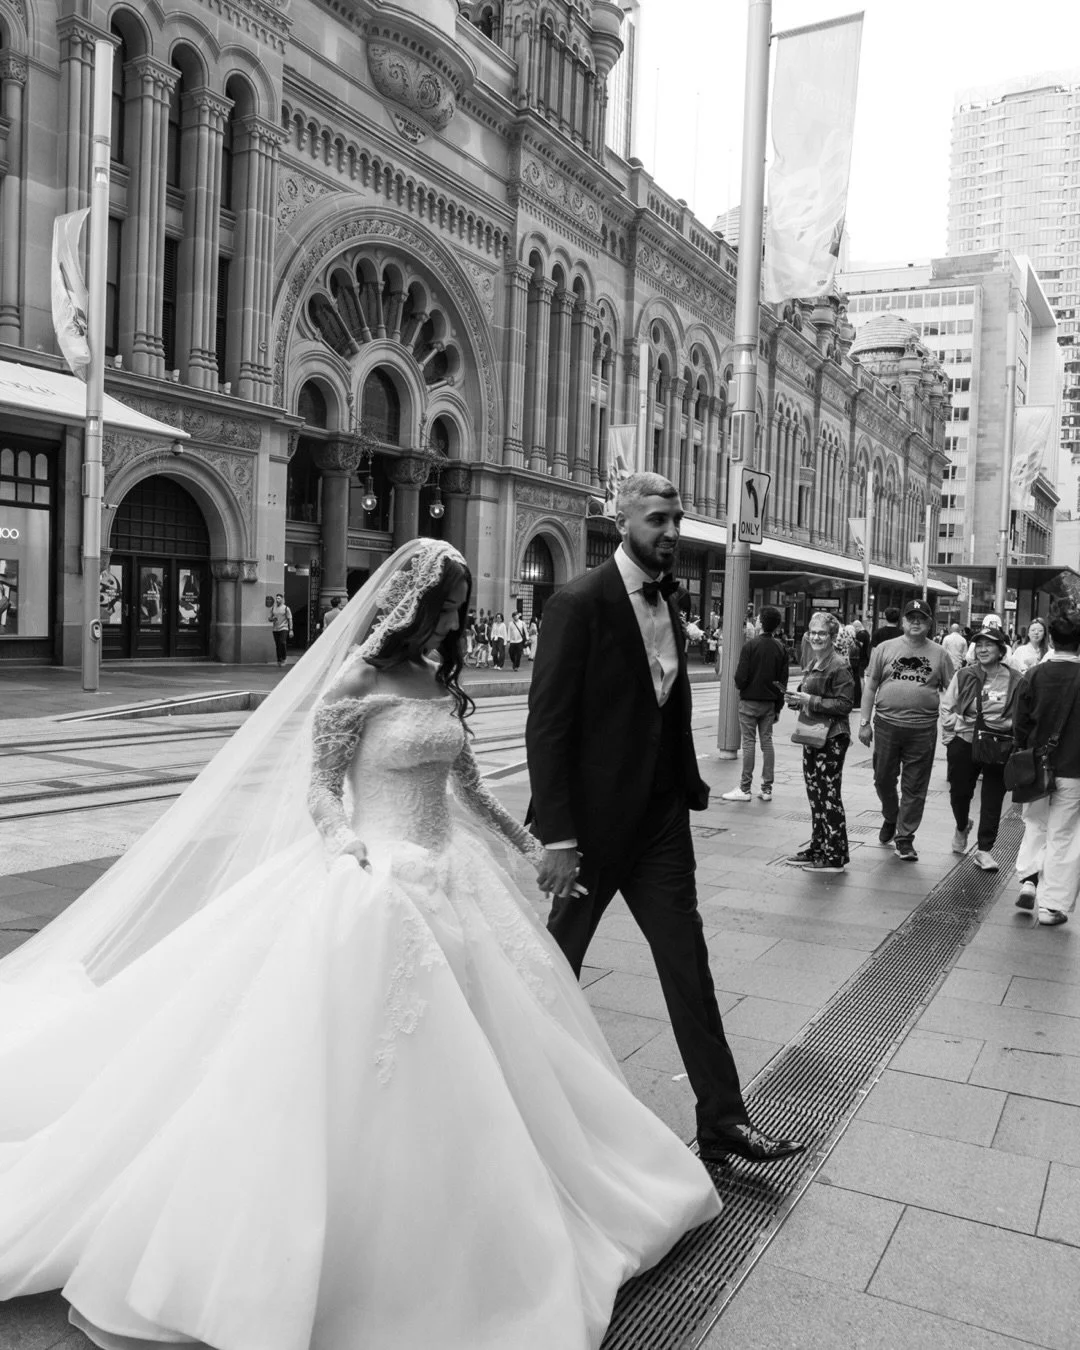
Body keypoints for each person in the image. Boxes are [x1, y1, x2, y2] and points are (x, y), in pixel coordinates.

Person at [0, 539, 722, 1350]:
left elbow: (470, 791)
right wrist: (347, 845)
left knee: (500, 1043)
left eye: (458, 611)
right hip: (373, 876)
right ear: (412, 606)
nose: (457, 622)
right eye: (447, 609)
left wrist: (530, 849)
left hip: (451, 873)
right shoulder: (359, 681)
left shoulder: (437, 683)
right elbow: (319, 785)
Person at [526, 471, 805, 1165]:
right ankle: (515, 1107)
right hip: (587, 833)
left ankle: (724, 1121)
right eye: (658, 520)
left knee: (690, 966)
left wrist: (682, 786)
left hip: (658, 824)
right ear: (622, 520)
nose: (673, 532)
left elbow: (662, 707)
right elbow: (548, 728)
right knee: (552, 971)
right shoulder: (577, 603)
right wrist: (557, 837)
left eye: (678, 518)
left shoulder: (669, 600)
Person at [858, 598, 951, 862]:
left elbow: (951, 690)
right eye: (911, 618)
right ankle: (891, 815)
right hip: (887, 725)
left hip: (922, 730)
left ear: (929, 623)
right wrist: (864, 722)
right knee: (882, 779)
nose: (916, 622)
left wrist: (951, 721)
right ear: (903, 622)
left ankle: (905, 838)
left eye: (921, 618)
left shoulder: (940, 654)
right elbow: (870, 686)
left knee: (915, 786)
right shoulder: (885, 649)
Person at [1012, 599, 1080, 926]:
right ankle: (1051, 906)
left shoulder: (1034, 676)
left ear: (1050, 639)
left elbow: (1020, 724)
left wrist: (1025, 751)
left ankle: (1028, 879)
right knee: (1064, 834)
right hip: (1074, 768)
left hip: (1036, 764)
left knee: (1035, 823)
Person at [939, 621, 1022, 871]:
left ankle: (985, 849)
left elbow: (1021, 714)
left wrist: (1007, 726)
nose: (983, 650)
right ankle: (962, 824)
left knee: (993, 797)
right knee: (960, 793)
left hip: (998, 744)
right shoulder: (965, 674)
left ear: (1001, 650)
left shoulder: (1015, 679)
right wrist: (951, 730)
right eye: (980, 645)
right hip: (964, 741)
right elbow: (947, 706)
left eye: (989, 645)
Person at [783, 611, 855, 873]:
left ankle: (834, 857)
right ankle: (819, 847)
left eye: (822, 633)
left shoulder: (838, 665)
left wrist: (808, 700)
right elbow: (814, 698)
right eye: (813, 632)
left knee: (828, 796)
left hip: (832, 737)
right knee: (816, 795)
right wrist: (797, 699)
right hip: (813, 735)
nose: (816, 637)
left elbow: (845, 704)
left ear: (832, 636)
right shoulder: (815, 661)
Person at [722, 605, 788, 804]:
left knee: (749, 743)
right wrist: (778, 707)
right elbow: (782, 682)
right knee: (767, 742)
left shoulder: (750, 646)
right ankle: (767, 788)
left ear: (760, 622)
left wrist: (742, 685)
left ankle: (745, 788)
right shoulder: (781, 648)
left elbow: (740, 677)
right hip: (769, 704)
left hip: (749, 701)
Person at [268, 591, 293, 667]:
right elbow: (269, 618)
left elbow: (290, 619)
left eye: (279, 598)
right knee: (277, 645)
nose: (277, 600)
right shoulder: (273, 608)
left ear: (282, 599)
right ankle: (279, 660)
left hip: (284, 628)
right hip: (275, 629)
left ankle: (284, 658)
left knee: (282, 642)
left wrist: (291, 629)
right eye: (276, 598)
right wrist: (272, 619)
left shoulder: (286, 608)